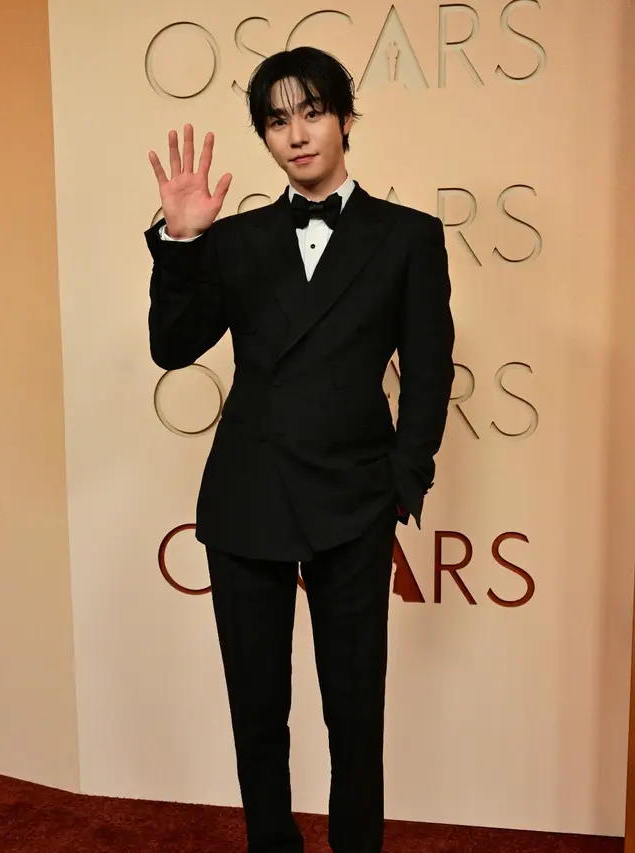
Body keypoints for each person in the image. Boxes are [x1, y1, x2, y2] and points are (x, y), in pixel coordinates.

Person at [145, 45, 454, 853]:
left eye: (312, 112)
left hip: (354, 500)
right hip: (247, 497)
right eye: (277, 120)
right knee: (257, 708)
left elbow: (429, 373)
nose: (297, 133)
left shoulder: (408, 237)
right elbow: (172, 347)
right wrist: (181, 244)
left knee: (354, 709)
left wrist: (402, 482)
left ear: (345, 118)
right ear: (265, 136)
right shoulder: (234, 238)